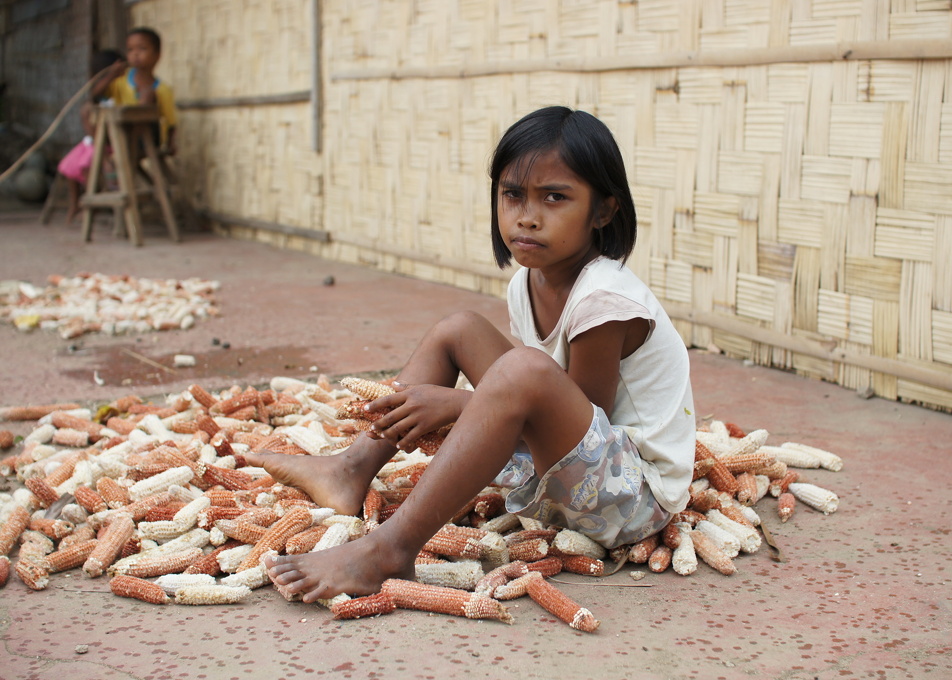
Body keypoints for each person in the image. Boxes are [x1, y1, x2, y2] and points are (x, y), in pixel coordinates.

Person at [245, 106, 697, 603]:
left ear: (604, 211)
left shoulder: (604, 299)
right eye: (512, 195)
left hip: (632, 500)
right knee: (459, 329)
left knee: (523, 369)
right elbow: (544, 405)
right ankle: (351, 468)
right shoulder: (527, 281)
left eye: (555, 197)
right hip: (575, 470)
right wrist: (474, 405)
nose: (527, 215)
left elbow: (590, 418)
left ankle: (389, 550)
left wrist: (458, 405)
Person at [55, 49, 124, 223]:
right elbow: (92, 94)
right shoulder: (99, 95)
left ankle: (94, 201)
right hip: (93, 143)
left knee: (86, 166)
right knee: (68, 166)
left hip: (109, 145)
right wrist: (109, 76)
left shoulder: (121, 90)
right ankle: (74, 203)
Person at [103, 27, 178, 155]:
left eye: (142, 49)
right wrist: (111, 75)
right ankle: (107, 156)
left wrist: (171, 145)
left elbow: (171, 123)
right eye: (130, 50)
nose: (135, 54)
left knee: (147, 95)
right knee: (86, 109)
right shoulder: (120, 80)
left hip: (147, 139)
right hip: (120, 135)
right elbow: (95, 94)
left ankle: (131, 141)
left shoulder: (163, 89)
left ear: (157, 55)